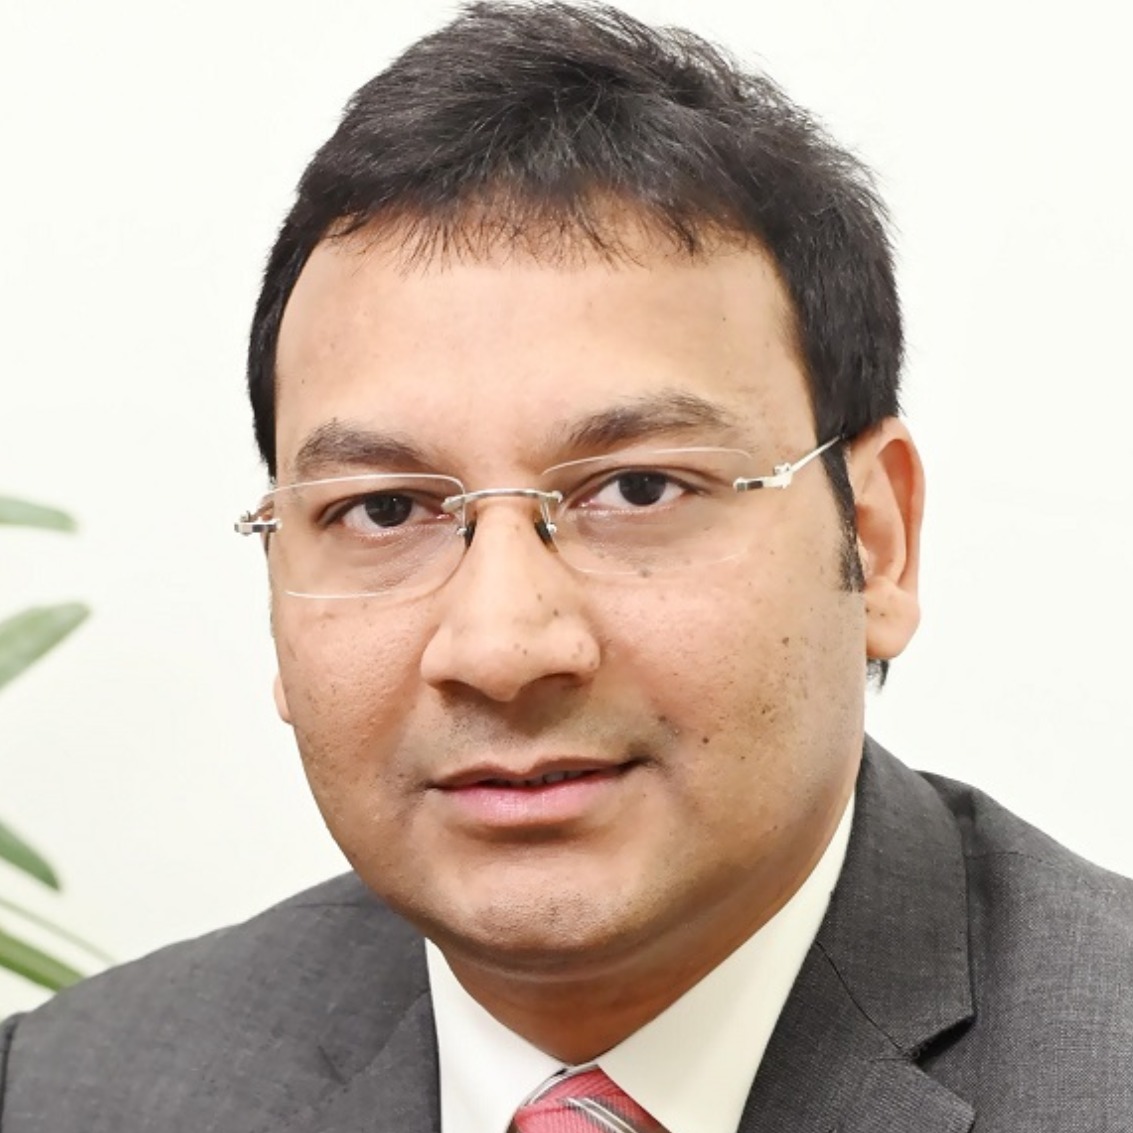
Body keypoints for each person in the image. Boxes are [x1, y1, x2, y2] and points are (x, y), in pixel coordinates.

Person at [2, 2, 1131, 1129]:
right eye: (384, 507)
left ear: (875, 539)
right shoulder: (70, 1090)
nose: (500, 648)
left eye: (636, 489)